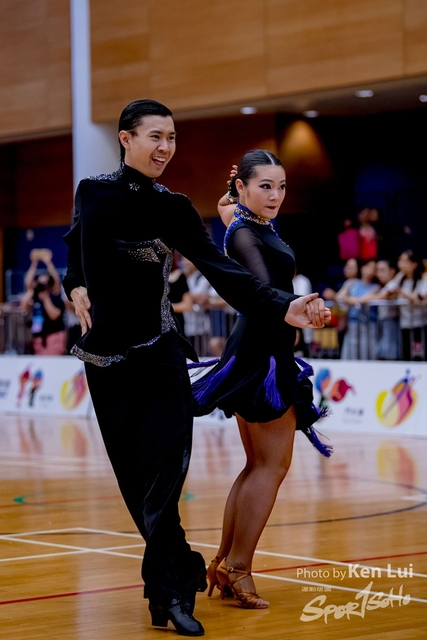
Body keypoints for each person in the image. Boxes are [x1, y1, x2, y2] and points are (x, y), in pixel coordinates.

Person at [61, 100, 330, 637]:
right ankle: (179, 569)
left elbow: (224, 272)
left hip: (161, 355)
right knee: (135, 482)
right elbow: (76, 247)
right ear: (126, 138)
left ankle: (172, 594)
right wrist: (75, 285)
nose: (165, 147)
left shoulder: (173, 206)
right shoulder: (92, 192)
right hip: (105, 360)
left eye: (172, 138)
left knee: (166, 472)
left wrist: (283, 305)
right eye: (155, 136)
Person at [189, 150, 333, 611]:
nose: (275, 195)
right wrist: (300, 308)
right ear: (244, 188)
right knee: (271, 466)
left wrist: (306, 310)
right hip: (264, 357)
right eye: (265, 186)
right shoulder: (245, 233)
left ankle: (224, 561)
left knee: (257, 465)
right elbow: (261, 290)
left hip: (259, 349)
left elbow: (228, 211)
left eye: (281, 186)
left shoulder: (247, 222)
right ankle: (238, 567)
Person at [381, 250, 427, 360]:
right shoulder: (400, 277)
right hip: (404, 324)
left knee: (419, 355)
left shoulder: (423, 277)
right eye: (400, 261)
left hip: (420, 325)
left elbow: (420, 296)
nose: (401, 264)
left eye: (404, 261)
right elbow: (385, 292)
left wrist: (400, 292)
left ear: (414, 264)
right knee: (405, 354)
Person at [20, 249, 66, 355]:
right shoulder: (36, 296)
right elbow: (27, 287)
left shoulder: (55, 296)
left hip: (53, 337)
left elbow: (54, 315)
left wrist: (48, 263)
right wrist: (34, 264)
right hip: (38, 338)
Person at [339, 258, 380, 359]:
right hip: (352, 323)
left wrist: (350, 299)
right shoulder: (351, 283)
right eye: (368, 267)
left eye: (373, 269)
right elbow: (340, 297)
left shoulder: (376, 287)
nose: (370, 271)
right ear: (362, 268)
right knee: (352, 349)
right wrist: (351, 299)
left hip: (369, 324)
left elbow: (364, 299)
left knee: (367, 351)